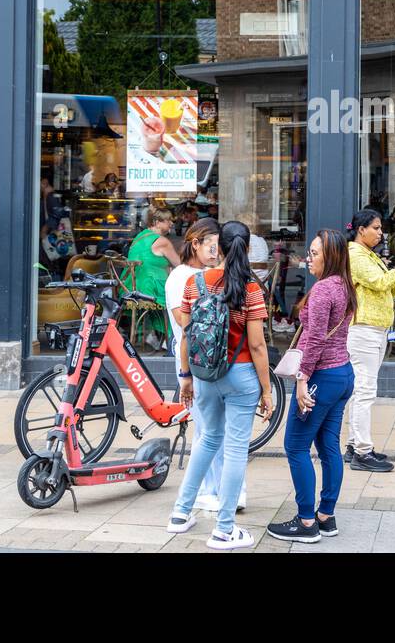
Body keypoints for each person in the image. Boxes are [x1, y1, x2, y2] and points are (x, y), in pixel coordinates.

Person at [167, 221, 274, 550]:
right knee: (235, 449)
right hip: (241, 376)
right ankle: (225, 529)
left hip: (204, 376)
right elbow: (257, 346)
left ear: (220, 247)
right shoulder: (250, 289)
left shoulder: (196, 282)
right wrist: (267, 390)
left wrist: (185, 377)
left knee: (207, 440)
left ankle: (180, 514)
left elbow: (185, 335)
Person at [267, 229, 357, 543]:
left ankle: (306, 522)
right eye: (310, 251)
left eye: (315, 252)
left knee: (295, 446)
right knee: (329, 446)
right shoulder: (344, 285)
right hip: (342, 374)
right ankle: (325, 516)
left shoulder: (323, 290)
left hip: (322, 377)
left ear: (330, 256)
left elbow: (316, 339)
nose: (309, 256)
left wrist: (303, 380)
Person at [345, 208, 395, 472]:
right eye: (376, 228)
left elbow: (394, 287)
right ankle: (362, 452)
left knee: (362, 391)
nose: (381, 233)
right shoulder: (354, 254)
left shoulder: (369, 255)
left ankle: (354, 445)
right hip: (363, 330)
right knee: (364, 392)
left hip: (375, 329)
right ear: (361, 230)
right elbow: (382, 282)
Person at [163, 218, 228, 512]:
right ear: (195, 244)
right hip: (193, 361)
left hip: (210, 362)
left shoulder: (205, 274)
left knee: (212, 430)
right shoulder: (181, 277)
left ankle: (218, 490)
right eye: (210, 245)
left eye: (219, 246)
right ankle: (212, 490)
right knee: (206, 429)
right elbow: (182, 320)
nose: (215, 251)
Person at [127, 207, 181, 350]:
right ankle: (172, 340)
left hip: (130, 289)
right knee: (180, 297)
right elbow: (179, 265)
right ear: (157, 222)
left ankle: (154, 335)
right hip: (149, 291)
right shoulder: (162, 241)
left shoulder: (140, 236)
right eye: (168, 220)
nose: (171, 224)